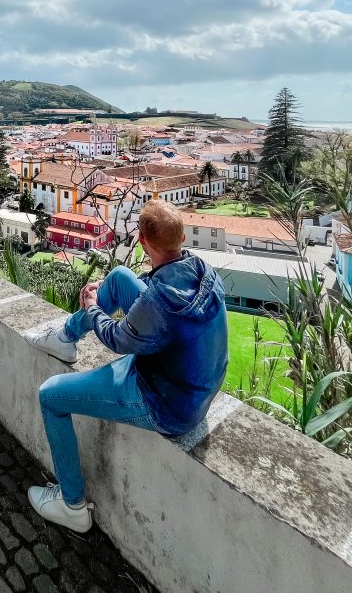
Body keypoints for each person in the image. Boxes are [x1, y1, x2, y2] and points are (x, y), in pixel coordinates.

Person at [25, 199, 228, 533]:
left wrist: (93, 307)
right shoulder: (202, 270)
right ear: (181, 240)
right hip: (190, 383)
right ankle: (65, 336)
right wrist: (104, 291)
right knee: (119, 277)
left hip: (165, 403)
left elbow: (118, 338)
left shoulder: (159, 302)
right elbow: (155, 300)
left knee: (50, 396)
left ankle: (72, 503)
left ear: (144, 242)